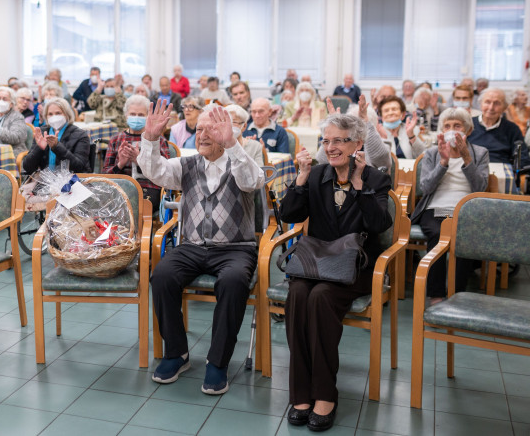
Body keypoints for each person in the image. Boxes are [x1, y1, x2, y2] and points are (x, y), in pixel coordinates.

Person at [139, 101, 265, 395]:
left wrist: (232, 144)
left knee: (233, 282)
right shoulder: (187, 164)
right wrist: (150, 138)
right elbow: (155, 171)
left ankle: (218, 362)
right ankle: (177, 353)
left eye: (212, 129)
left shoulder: (240, 162)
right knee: (162, 276)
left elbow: (253, 181)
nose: (203, 135)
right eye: (200, 129)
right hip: (192, 247)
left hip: (235, 249)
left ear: (228, 132)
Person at [281, 114, 392, 432]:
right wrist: (301, 177)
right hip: (314, 263)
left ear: (358, 144)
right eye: (325, 141)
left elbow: (379, 225)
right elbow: (289, 213)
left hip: (353, 268)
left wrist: (358, 185)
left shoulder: (375, 180)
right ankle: (300, 393)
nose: (330, 147)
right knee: (299, 293)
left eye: (338, 140)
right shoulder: (315, 175)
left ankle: (325, 394)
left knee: (321, 297)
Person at [411, 108, 489, 304]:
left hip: (466, 209)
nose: (452, 130)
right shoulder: (431, 153)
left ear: (468, 131)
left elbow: (480, 187)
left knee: (463, 236)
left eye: (457, 126)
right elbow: (425, 187)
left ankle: (456, 293)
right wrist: (443, 162)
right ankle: (435, 293)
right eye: (447, 126)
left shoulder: (479, 153)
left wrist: (466, 158)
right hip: (435, 207)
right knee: (437, 234)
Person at [103, 94, 170, 209]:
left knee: (133, 206)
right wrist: (120, 164)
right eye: (133, 114)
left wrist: (140, 161)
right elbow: (104, 176)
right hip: (119, 186)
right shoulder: (116, 140)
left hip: (149, 187)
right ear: (126, 116)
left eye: (141, 115)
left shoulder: (158, 140)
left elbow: (167, 173)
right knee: (107, 205)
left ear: (148, 116)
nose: (136, 117)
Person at [318, 96, 391, 171]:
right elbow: (322, 161)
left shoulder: (382, 145)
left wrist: (365, 122)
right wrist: (332, 129)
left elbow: (381, 160)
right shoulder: (342, 140)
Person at [22, 98, 90, 174]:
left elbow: (79, 167)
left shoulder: (80, 135)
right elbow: (27, 167)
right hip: (45, 180)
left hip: (71, 181)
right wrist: (39, 148)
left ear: (67, 114)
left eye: (58, 113)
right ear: (46, 116)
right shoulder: (42, 132)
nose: (54, 117)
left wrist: (57, 147)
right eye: (50, 114)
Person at [468, 88, 529, 168]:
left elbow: (522, 157)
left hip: (501, 171)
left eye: (497, 103)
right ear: (480, 104)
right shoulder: (468, 124)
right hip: (472, 169)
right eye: (487, 102)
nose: (491, 108)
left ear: (504, 107)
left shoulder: (512, 129)